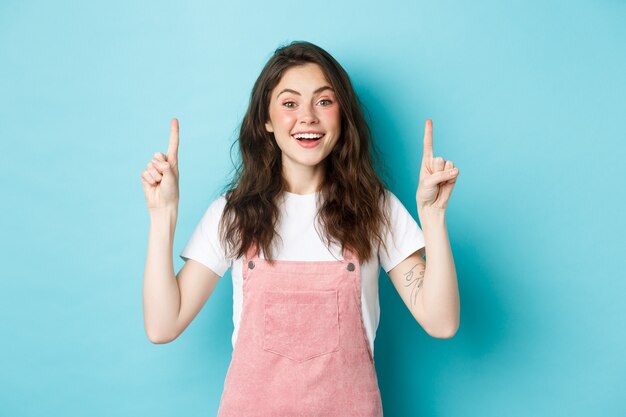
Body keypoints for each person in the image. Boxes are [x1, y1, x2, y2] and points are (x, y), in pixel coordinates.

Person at [141, 40, 460, 417]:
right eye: (290, 103)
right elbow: (163, 325)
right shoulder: (233, 214)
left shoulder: (376, 209)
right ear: (266, 120)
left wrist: (433, 217)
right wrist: (163, 215)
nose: (307, 116)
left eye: (324, 101)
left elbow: (441, 322)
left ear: (342, 115)